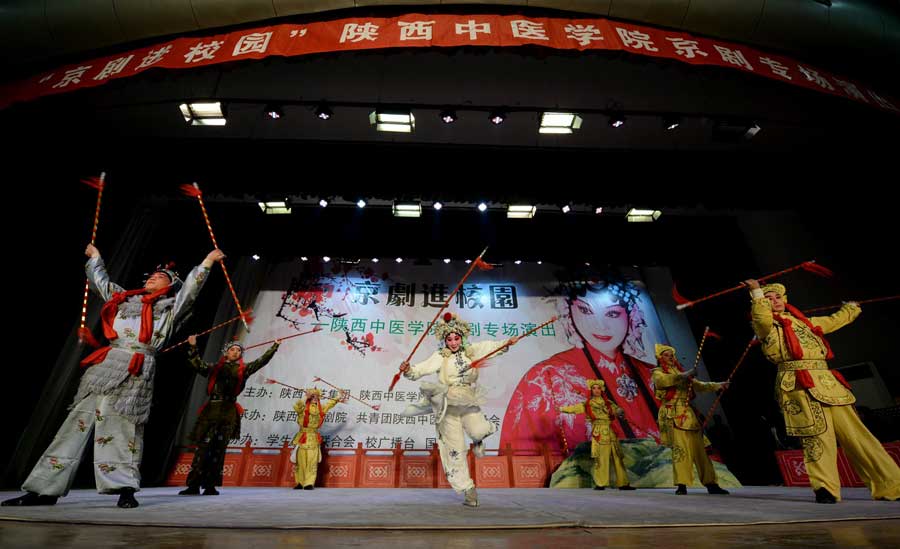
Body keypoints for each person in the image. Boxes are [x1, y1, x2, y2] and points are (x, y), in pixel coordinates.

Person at [3, 244, 223, 509]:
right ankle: (43, 489)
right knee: (73, 426)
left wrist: (208, 261)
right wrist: (96, 258)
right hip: (106, 366)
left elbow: (191, 289)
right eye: (151, 275)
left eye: (161, 276)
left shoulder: (170, 308)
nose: (153, 277)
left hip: (137, 367)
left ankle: (125, 489)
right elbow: (101, 283)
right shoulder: (123, 298)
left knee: (123, 429)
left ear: (170, 284)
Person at [745, 279, 900, 503]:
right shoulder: (765, 327)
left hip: (828, 383)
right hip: (798, 384)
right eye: (768, 299)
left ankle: (890, 483)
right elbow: (760, 317)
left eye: (778, 297)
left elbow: (833, 320)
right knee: (816, 437)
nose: (774, 301)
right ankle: (825, 488)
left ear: (785, 300)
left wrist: (851, 308)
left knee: (858, 436)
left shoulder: (807, 323)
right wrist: (755, 291)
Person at [501, 280, 660, 455]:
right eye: (585, 310)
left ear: (631, 314)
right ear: (569, 312)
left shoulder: (653, 375)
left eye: (613, 314)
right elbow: (523, 455)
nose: (600, 325)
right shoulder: (544, 377)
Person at [399, 312, 518, 507]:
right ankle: (468, 489)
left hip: (468, 399)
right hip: (447, 404)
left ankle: (478, 440)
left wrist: (507, 342)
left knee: (479, 430)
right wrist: (408, 370)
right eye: (449, 339)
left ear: (461, 337)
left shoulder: (471, 351)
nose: (453, 343)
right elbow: (420, 369)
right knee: (455, 449)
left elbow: (491, 347)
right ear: (444, 340)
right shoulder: (440, 356)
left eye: (456, 338)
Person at [179, 337, 281, 495]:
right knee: (202, 449)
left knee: (218, 450)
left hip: (228, 412)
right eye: (233, 349)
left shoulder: (243, 369)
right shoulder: (214, 368)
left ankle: (210, 485)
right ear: (226, 353)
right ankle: (193, 485)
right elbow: (197, 364)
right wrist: (193, 347)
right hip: (211, 410)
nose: (236, 352)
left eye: (239, 350)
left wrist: (275, 346)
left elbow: (261, 361)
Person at [652, 344, 730, 495]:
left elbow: (699, 385)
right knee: (681, 451)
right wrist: (684, 374)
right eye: (667, 355)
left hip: (688, 415)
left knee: (700, 451)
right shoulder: (658, 372)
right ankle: (682, 485)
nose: (671, 358)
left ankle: (711, 483)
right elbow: (663, 382)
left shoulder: (681, 372)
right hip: (672, 414)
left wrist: (717, 386)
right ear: (660, 358)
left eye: (672, 355)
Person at [558, 379, 636, 490]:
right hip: (599, 431)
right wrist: (561, 409)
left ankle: (623, 483)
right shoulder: (589, 403)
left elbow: (616, 409)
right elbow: (575, 408)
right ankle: (601, 483)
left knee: (618, 457)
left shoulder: (608, 402)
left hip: (610, 431)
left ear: (602, 389)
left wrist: (620, 411)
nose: (596, 390)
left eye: (598, 388)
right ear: (591, 390)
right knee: (601, 458)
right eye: (594, 388)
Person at [292, 387, 348, 490]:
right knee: (300, 462)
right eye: (312, 396)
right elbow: (296, 406)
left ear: (318, 397)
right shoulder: (303, 408)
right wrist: (305, 397)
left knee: (312, 462)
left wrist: (339, 395)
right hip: (302, 437)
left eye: (316, 396)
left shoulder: (321, 408)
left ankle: (309, 483)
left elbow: (330, 403)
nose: (314, 398)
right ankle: (299, 482)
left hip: (313, 438)